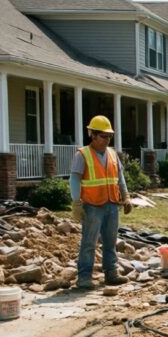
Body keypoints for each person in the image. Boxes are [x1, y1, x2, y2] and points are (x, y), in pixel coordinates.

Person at [71, 115, 132, 289]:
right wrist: (76, 203)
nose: (107, 140)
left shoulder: (112, 154)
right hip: (92, 205)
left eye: (109, 136)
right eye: (103, 136)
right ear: (93, 135)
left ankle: (111, 273)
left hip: (111, 204)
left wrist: (125, 196)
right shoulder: (82, 155)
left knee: (111, 241)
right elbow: (74, 179)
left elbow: (119, 177)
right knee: (89, 242)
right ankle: (84, 277)